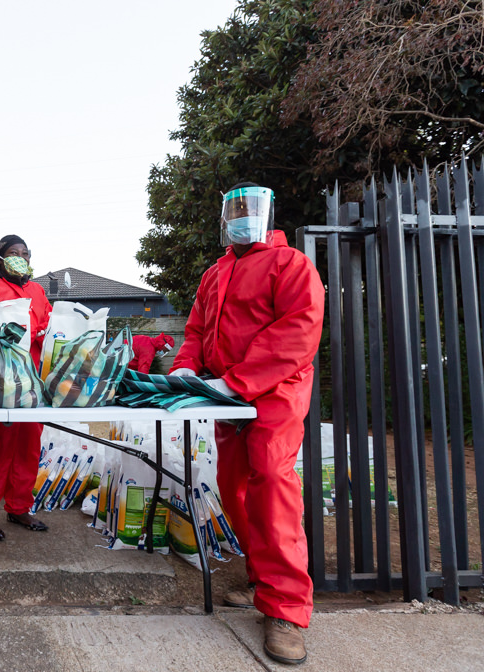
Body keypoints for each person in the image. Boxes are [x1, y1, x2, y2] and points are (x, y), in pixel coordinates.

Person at [169, 183, 324, 665]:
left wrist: (237, 381)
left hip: (275, 390)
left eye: (248, 208)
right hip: (225, 394)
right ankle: (262, 582)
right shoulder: (215, 273)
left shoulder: (291, 264)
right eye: (234, 209)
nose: (240, 216)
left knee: (272, 482)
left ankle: (286, 610)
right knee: (232, 484)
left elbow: (297, 332)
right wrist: (186, 367)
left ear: (267, 213)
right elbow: (197, 330)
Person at [0, 235, 52, 541]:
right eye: (13, 252)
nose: (20, 257)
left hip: (30, 381)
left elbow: (47, 326)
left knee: (29, 446)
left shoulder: (37, 290)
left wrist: (44, 332)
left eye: (25, 253)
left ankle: (19, 507)